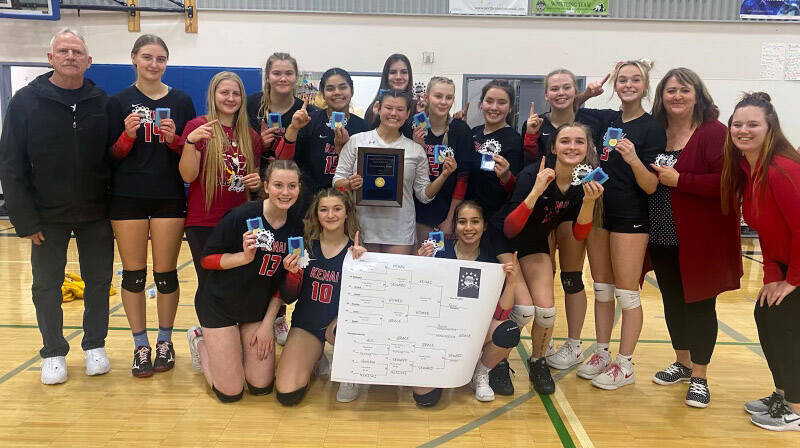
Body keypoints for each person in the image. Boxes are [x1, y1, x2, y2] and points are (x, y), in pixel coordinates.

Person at [0, 28, 114, 384]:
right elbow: (10, 164)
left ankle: (95, 345)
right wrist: (24, 218)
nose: (70, 56)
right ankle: (52, 351)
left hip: (96, 212)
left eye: (77, 51)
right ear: (50, 58)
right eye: (63, 51)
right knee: (46, 285)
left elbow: (115, 157)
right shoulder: (25, 101)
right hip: (45, 216)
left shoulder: (102, 101)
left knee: (99, 281)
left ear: (88, 61)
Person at [646, 68, 742, 407]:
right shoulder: (655, 132)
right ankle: (682, 363)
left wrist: (680, 181)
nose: (677, 96)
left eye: (684, 90)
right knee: (672, 302)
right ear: (661, 97)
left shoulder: (714, 132)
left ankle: (700, 376)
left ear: (698, 95)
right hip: (661, 236)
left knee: (700, 305)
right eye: (670, 90)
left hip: (700, 240)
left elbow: (729, 184)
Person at [108, 34, 196, 377]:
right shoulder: (118, 102)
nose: (154, 64)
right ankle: (140, 345)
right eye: (147, 57)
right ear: (134, 59)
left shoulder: (181, 100)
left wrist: (175, 139)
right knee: (133, 274)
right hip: (127, 195)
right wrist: (127, 135)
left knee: (165, 273)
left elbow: (189, 153)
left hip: (168, 195)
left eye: (160, 58)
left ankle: (164, 341)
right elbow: (111, 156)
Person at [573, 60, 665, 390]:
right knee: (602, 288)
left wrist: (633, 159)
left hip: (631, 218)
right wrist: (586, 93)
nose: (627, 84)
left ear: (645, 85)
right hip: (601, 214)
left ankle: (625, 365)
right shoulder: (606, 119)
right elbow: (568, 108)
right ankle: (601, 352)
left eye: (635, 80)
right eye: (622, 80)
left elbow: (652, 185)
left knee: (627, 294)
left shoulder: (652, 127)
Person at [186, 160, 303, 403]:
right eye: (278, 185)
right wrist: (243, 257)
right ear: (266, 186)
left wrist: (267, 325)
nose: (285, 192)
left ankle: (234, 346)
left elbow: (286, 290)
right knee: (230, 392)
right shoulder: (243, 216)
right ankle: (200, 341)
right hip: (219, 304)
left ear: (299, 188)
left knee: (260, 387)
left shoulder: (297, 228)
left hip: (255, 310)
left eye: (292, 186)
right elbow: (207, 260)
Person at [499, 123, 603, 394]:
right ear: (554, 147)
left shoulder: (583, 182)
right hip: (504, 242)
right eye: (565, 141)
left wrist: (590, 202)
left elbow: (579, 234)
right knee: (523, 310)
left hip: (534, 244)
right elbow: (509, 228)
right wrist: (535, 190)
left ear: (587, 148)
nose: (572, 147)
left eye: (579, 142)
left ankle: (538, 361)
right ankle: (497, 361)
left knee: (545, 312)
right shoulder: (533, 173)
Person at [720, 92, 800, 431]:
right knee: (765, 312)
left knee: (783, 322)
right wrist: (771, 276)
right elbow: (768, 233)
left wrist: (793, 280)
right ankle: (783, 392)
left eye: (753, 124)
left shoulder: (783, 169)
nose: (743, 130)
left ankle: (795, 408)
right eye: (737, 124)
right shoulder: (748, 169)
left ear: (770, 129)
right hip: (784, 264)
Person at [523, 69, 606, 372]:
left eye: (567, 87)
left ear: (575, 90)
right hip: (544, 207)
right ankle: (541, 342)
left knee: (572, 277)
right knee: (545, 275)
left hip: (574, 208)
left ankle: (573, 343)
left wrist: (589, 95)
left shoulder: (592, 121)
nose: (561, 92)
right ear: (545, 93)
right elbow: (528, 161)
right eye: (554, 88)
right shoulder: (535, 125)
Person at [415, 201, 520, 405]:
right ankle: (448, 367)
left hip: (472, 333)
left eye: (475, 221)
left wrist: (513, 283)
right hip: (439, 333)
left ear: (484, 225)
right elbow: (418, 297)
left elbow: (501, 315)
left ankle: (480, 374)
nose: (469, 228)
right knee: (425, 398)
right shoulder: (439, 253)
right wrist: (419, 263)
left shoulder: (491, 264)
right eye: (462, 222)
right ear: (455, 226)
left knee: (508, 331)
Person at [179, 71, 263, 321]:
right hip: (203, 221)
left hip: (237, 221)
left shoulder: (251, 136)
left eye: (236, 93)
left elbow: (252, 181)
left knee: (236, 282)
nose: (230, 98)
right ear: (213, 95)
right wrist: (191, 143)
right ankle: (203, 335)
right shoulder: (197, 127)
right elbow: (187, 175)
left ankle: (228, 337)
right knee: (209, 283)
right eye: (224, 92)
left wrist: (256, 181)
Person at [333, 89, 456, 255]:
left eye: (399, 110)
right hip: (361, 228)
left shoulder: (415, 150)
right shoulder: (357, 141)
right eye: (388, 108)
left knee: (396, 280)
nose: (393, 113)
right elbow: (337, 183)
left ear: (407, 114)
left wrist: (444, 175)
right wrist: (349, 184)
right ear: (379, 108)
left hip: (400, 232)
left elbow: (424, 196)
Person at [274, 188, 366, 405]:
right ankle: (314, 356)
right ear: (316, 214)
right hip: (307, 324)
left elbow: (364, 303)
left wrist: (363, 267)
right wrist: (292, 275)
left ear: (347, 213)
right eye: (323, 210)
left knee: (341, 331)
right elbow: (287, 297)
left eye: (337, 209)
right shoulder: (305, 247)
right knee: (288, 394)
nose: (331, 215)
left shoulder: (357, 253)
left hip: (338, 325)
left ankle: (349, 373)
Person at [274, 68, 369, 216]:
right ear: (323, 94)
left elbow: (365, 171)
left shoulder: (363, 127)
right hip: (310, 203)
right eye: (330, 89)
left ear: (352, 91)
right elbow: (285, 161)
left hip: (348, 204)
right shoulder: (309, 121)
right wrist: (293, 128)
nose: (337, 92)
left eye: (343, 87)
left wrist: (343, 150)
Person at [411, 76, 473, 244]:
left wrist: (451, 219)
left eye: (449, 97)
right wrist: (417, 148)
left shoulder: (461, 130)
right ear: (426, 97)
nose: (443, 102)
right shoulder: (413, 127)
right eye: (438, 96)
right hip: (415, 214)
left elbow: (463, 178)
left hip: (446, 213)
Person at [246, 52, 318, 172]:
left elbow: (310, 157)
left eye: (289, 74)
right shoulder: (249, 105)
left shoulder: (308, 113)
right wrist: (259, 144)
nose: (283, 79)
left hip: (293, 183)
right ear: (268, 77)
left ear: (296, 77)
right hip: (256, 181)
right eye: (276, 73)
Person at [362, 54, 415, 137]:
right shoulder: (373, 108)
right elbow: (366, 140)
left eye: (404, 72)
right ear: (386, 76)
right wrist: (377, 118)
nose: (398, 77)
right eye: (393, 72)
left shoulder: (417, 107)